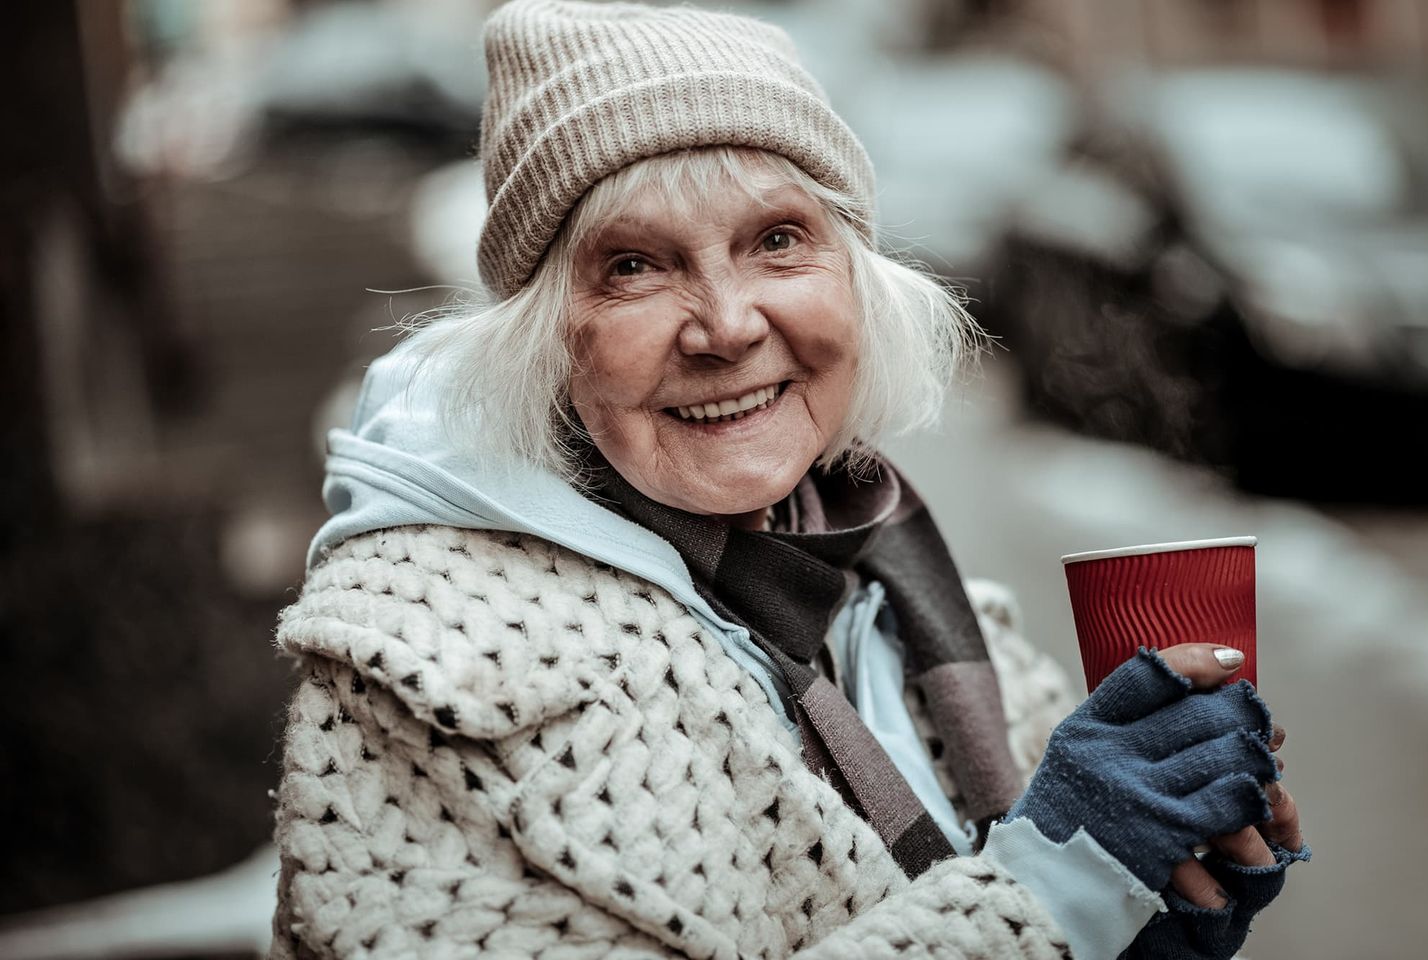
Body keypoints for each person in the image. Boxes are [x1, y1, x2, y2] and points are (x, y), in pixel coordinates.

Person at [268, 2, 1307, 957]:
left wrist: (1149, 910)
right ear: (547, 339)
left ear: (857, 282)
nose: (727, 324)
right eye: (635, 264)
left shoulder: (900, 585)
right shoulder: (421, 676)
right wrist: (1049, 898)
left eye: (778, 240)